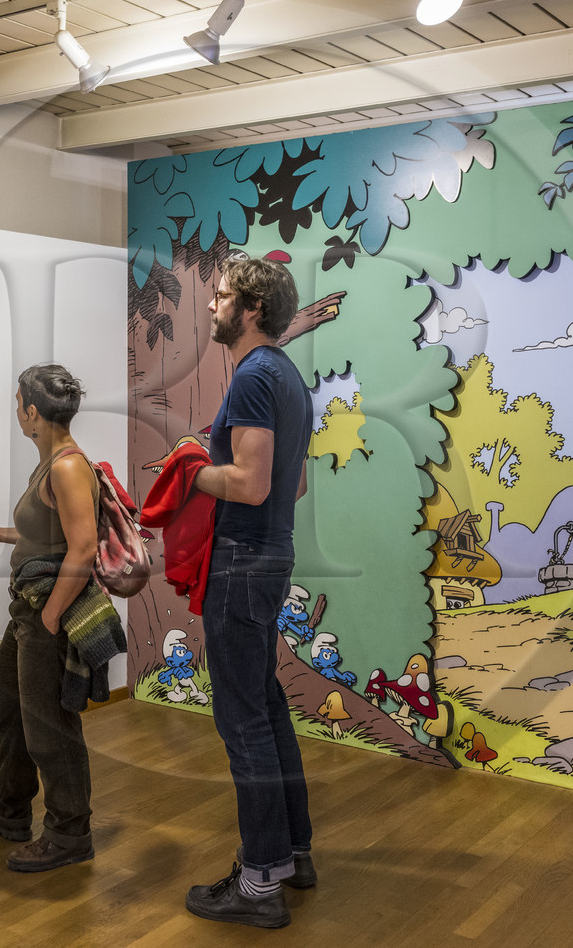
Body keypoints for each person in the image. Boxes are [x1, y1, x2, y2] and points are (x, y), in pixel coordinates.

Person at [185, 253, 314, 929]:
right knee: (264, 703)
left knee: (241, 718)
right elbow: (289, 487)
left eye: (222, 294)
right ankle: (292, 850)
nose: (212, 303)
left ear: (252, 309)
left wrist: (188, 470)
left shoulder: (254, 376)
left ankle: (260, 882)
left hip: (241, 561)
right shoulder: (288, 378)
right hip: (272, 553)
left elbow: (254, 483)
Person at [0, 364, 110, 872]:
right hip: (28, 607)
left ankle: (70, 833)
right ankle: (9, 810)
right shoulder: (49, 462)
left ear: (32, 412)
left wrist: (49, 618)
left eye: (18, 403)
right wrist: (3, 535)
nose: (16, 413)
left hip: (46, 611)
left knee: (50, 725)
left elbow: (84, 547)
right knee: (8, 706)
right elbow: (50, 533)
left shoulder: (67, 466)